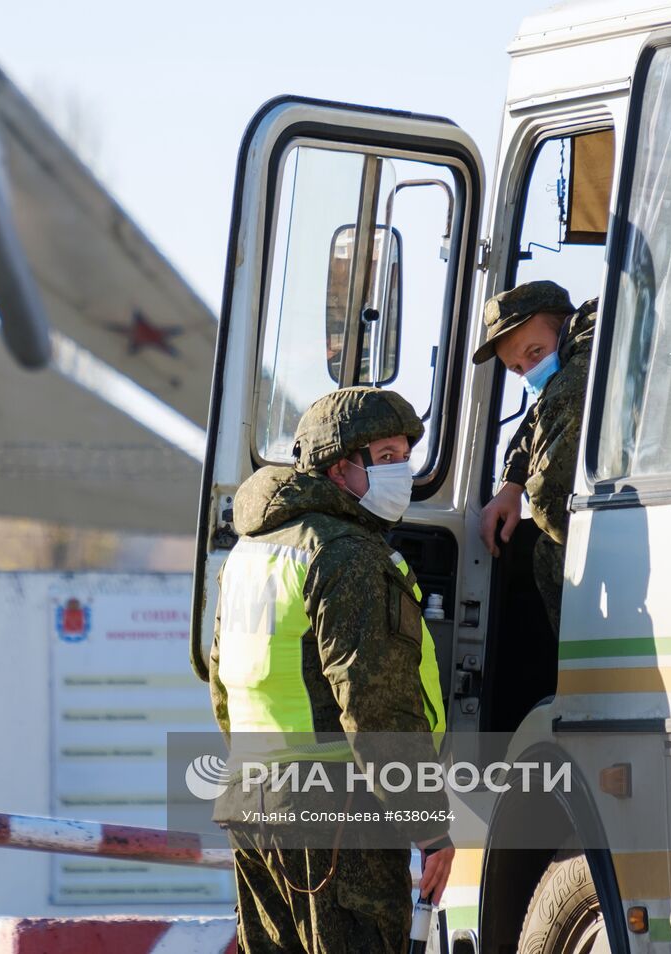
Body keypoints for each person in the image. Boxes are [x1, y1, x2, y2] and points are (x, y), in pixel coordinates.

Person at [209, 386, 454, 953]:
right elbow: (375, 706)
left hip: (252, 807)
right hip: (336, 818)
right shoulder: (347, 555)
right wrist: (428, 824)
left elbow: (222, 686)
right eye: (387, 458)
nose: (404, 473)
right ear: (341, 469)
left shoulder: (250, 550)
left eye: (405, 457)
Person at [472, 280, 597, 634]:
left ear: (566, 325)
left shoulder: (586, 359)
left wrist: (532, 497)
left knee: (549, 553)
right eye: (516, 368)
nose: (528, 371)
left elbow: (550, 503)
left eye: (536, 352)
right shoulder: (577, 354)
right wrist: (511, 485)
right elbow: (539, 414)